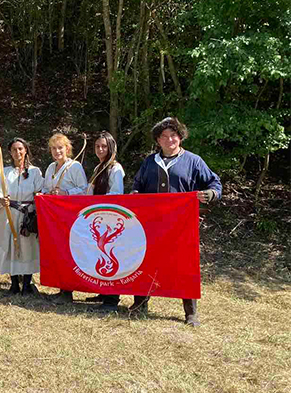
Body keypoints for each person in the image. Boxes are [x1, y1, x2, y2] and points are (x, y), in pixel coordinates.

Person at [130, 116, 221, 327]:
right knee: (145, 262)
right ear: (158, 140)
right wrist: (134, 194)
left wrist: (209, 194)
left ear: (180, 138)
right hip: (151, 225)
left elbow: (214, 184)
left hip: (181, 226)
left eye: (173, 136)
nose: (169, 140)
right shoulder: (149, 162)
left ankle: (190, 313)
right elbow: (137, 186)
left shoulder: (193, 161)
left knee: (184, 266)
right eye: (164, 136)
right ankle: (139, 304)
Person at [0, 137, 43, 295]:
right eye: (14, 149)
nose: (17, 152)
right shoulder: (5, 172)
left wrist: (39, 196)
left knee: (28, 248)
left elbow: (41, 190)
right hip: (9, 215)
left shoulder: (35, 172)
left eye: (20, 149)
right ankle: (13, 284)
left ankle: (26, 284)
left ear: (26, 150)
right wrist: (1, 199)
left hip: (27, 216)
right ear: (10, 153)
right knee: (11, 247)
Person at [41, 131, 88, 304]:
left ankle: (68, 291)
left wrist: (66, 192)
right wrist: (45, 194)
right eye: (53, 148)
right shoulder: (50, 167)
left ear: (67, 149)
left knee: (69, 252)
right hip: (54, 217)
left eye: (60, 148)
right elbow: (46, 188)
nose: (56, 151)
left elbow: (84, 189)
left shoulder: (74, 167)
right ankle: (62, 289)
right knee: (58, 251)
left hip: (69, 217)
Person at [84, 131, 125, 312]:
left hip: (109, 220)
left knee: (110, 255)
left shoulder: (115, 168)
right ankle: (103, 291)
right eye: (97, 146)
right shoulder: (99, 167)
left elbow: (116, 194)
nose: (100, 149)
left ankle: (112, 298)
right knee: (100, 255)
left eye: (104, 146)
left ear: (111, 147)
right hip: (98, 218)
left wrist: (97, 202)